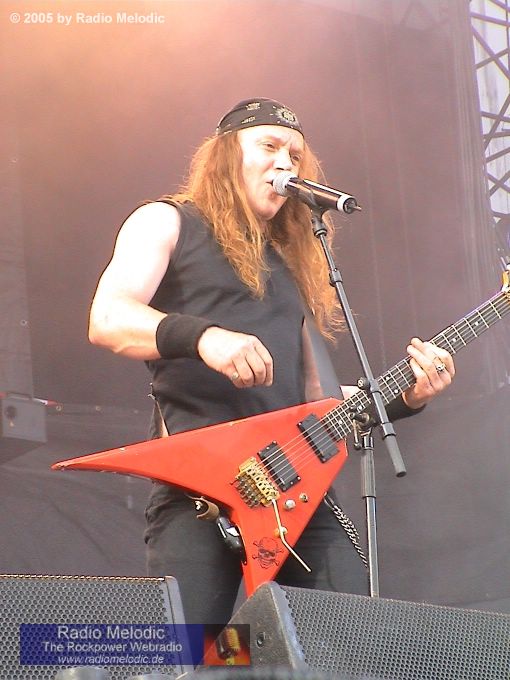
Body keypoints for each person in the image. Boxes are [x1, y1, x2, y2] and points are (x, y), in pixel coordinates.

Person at [88, 98, 455, 624]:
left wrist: (407, 396)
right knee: (189, 650)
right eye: (270, 146)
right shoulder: (166, 221)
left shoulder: (289, 266)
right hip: (199, 492)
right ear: (226, 156)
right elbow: (107, 318)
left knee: (348, 639)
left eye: (296, 155)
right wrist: (204, 337)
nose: (286, 163)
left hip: (290, 488)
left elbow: (315, 403)